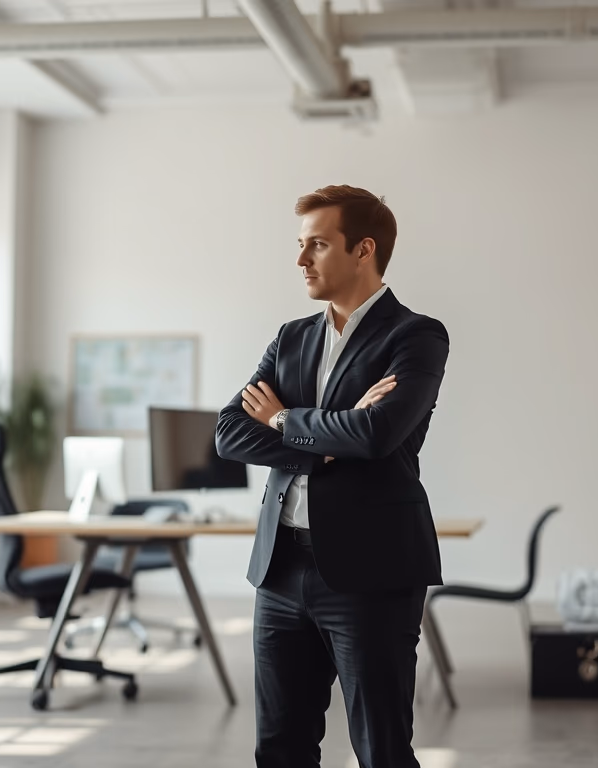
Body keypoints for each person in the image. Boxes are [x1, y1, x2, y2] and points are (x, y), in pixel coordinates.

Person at [215, 185, 450, 768]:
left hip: (372, 576)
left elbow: (378, 434)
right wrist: (322, 444)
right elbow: (228, 433)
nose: (301, 260)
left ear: (363, 249)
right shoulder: (291, 337)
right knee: (280, 749)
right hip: (279, 571)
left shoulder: (416, 336)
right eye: (300, 245)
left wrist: (283, 418)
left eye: (317, 244)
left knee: (382, 751)